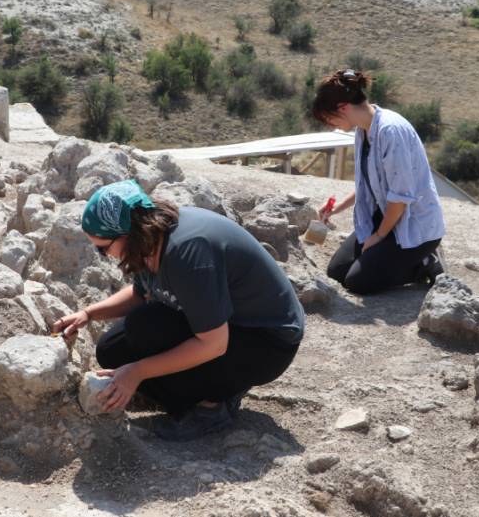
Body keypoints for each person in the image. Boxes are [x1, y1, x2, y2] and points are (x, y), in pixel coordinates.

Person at [51, 180, 304, 441]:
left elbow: (213, 344)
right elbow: (141, 294)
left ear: (128, 233)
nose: (103, 255)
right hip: (225, 325)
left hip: (265, 342)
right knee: (113, 350)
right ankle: (190, 390)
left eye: (103, 248)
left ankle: (213, 406)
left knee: (140, 356)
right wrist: (89, 314)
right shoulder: (150, 238)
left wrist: (137, 372)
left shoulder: (187, 252)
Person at [312, 69, 446, 295]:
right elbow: (369, 183)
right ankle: (392, 258)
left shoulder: (390, 131)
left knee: (358, 282)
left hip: (413, 226)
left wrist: (378, 236)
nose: (330, 125)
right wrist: (336, 209)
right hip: (385, 217)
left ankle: (423, 263)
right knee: (337, 272)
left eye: (329, 118)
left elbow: (400, 198)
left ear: (343, 108)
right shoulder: (362, 131)